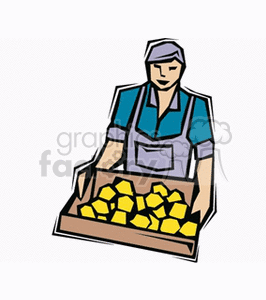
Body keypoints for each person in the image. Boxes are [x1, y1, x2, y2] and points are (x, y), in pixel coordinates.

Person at [76, 40, 214, 225]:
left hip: (173, 200)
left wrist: (204, 195)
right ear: (147, 67)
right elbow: (116, 149)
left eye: (172, 68)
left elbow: (204, 158)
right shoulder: (129, 98)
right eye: (156, 67)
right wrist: (96, 169)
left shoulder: (196, 106)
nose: (163, 74)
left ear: (182, 69)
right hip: (129, 195)